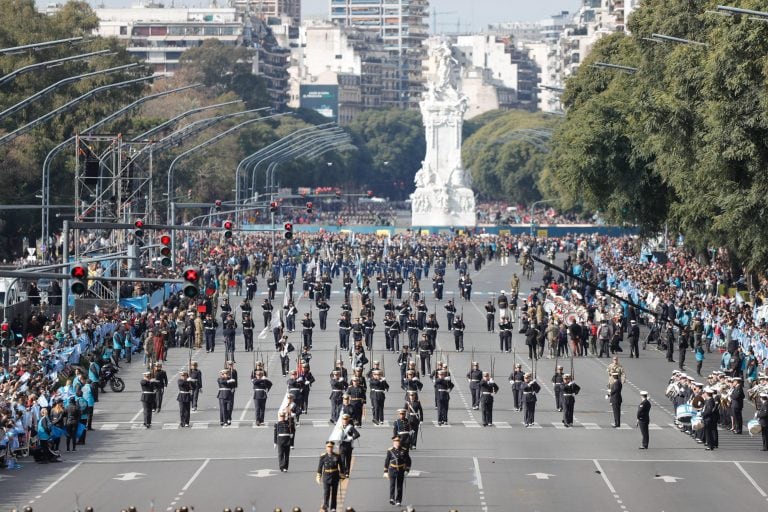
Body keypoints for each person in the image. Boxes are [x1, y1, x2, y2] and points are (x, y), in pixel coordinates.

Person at [384, 435, 411, 507]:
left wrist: (407, 470)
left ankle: (398, 500)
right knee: (392, 485)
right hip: (392, 469)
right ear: (393, 442)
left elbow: (408, 461)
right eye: (396, 441)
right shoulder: (390, 450)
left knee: (399, 486)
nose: (397, 442)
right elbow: (387, 461)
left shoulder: (404, 450)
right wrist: (385, 471)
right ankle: (392, 498)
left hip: (401, 470)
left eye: (398, 441)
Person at [316, 441, 343, 512]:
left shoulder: (337, 455)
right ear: (326, 447)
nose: (329, 448)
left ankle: (333, 507)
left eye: (331, 447)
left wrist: (342, 475)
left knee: (334, 493)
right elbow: (320, 467)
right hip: (326, 476)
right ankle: (325, 506)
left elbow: (341, 466)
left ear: (333, 447)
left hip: (335, 476)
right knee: (326, 492)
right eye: (328, 447)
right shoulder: (323, 456)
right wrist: (318, 476)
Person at [338, 413, 360, 478]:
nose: (344, 420)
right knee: (341, 460)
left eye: (346, 419)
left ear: (348, 420)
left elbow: (357, 434)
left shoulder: (350, 427)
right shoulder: (339, 426)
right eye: (343, 419)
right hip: (342, 445)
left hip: (348, 445)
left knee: (348, 459)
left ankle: (347, 472)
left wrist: (351, 438)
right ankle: (342, 472)